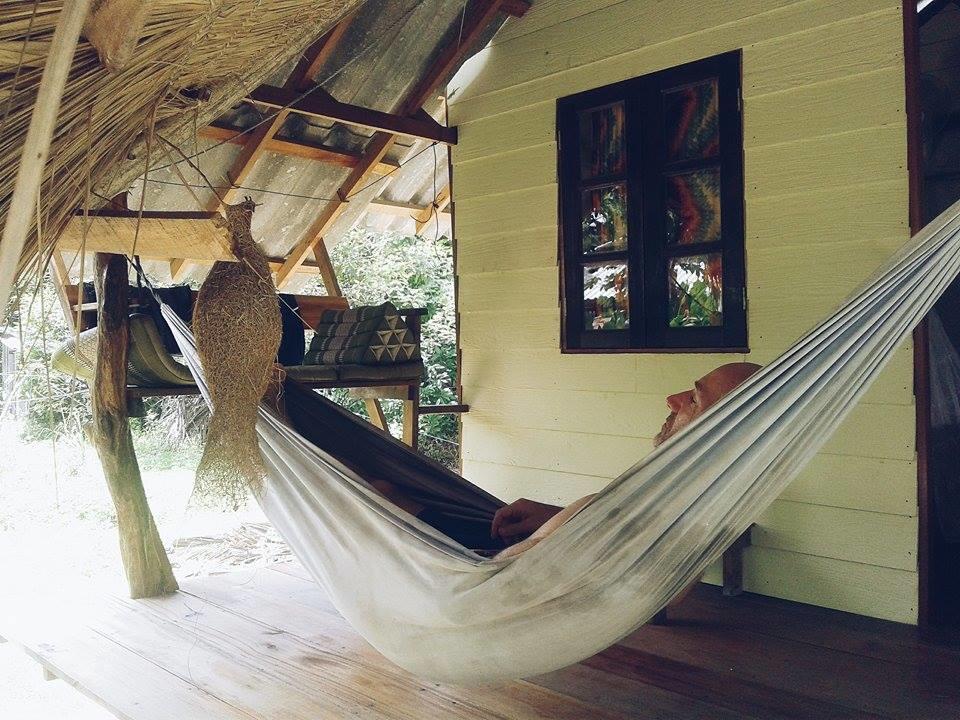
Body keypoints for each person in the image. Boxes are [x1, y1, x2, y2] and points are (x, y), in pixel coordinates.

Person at [488, 362, 762, 550]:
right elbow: (632, 540)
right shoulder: (682, 508)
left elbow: (487, 585)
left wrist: (575, 520)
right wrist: (561, 519)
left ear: (719, 436)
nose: (672, 400)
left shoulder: (672, 517)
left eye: (693, 399)